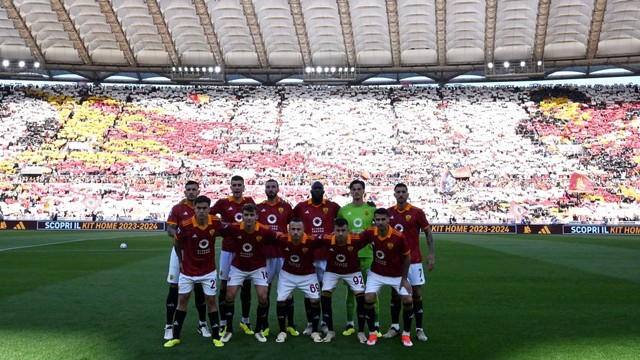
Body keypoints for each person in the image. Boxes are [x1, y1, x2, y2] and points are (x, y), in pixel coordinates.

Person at [163, 196, 224, 348]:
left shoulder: (215, 222)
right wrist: (181, 261)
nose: (202, 211)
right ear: (195, 209)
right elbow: (176, 242)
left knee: (211, 301)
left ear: (209, 210)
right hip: (188, 271)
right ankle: (175, 337)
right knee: (182, 300)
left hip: (208, 271)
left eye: (205, 208)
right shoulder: (185, 225)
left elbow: (227, 232)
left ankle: (216, 337)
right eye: (199, 208)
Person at [219, 203, 278, 343]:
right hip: (238, 267)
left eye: (252, 215)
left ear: (257, 217)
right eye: (246, 215)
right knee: (229, 295)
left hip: (258, 268)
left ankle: (258, 330)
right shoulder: (234, 228)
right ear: (242, 216)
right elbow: (218, 230)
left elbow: (279, 238)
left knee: (263, 297)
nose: (249, 218)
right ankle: (228, 330)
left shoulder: (264, 230)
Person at [384, 183, 435, 342]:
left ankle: (419, 329)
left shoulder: (417, 213)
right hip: (395, 261)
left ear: (407, 194)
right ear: (394, 194)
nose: (400, 194)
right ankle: (395, 327)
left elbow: (428, 232)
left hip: (414, 261)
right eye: (398, 192)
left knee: (417, 293)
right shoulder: (389, 213)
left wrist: (431, 254)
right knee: (395, 293)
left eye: (403, 192)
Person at [360, 208, 414, 347]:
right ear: (374, 221)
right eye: (377, 220)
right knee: (368, 298)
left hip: (396, 275)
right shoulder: (370, 232)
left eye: (383, 219)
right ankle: (372, 333)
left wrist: (404, 278)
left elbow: (407, 257)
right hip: (377, 273)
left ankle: (406, 334)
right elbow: (357, 240)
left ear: (389, 220)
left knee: (408, 300)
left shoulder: (399, 237)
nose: (380, 222)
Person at [210, 175, 256, 335]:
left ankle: (245, 321)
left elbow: (257, 219)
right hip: (228, 250)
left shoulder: (249, 202)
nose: (237, 187)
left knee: (246, 287)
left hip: (245, 250)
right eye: (234, 185)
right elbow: (210, 215)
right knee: (224, 287)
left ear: (244, 187)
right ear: (231, 187)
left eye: (239, 185)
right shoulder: (223, 203)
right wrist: (220, 226)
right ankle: (223, 323)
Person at [293, 181, 340, 334]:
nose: (318, 190)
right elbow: (292, 223)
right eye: (315, 188)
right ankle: (310, 323)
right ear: (311, 190)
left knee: (325, 291)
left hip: (326, 256)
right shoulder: (301, 207)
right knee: (309, 291)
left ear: (324, 190)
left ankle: (326, 322)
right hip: (307, 256)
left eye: (320, 188)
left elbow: (343, 221)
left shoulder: (332, 206)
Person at [164, 181, 209, 340]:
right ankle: (169, 326)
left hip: (199, 252)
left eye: (194, 190)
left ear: (198, 191)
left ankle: (202, 324)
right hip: (180, 251)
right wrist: (180, 234)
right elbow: (169, 229)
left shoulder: (203, 207)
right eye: (188, 190)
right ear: (185, 192)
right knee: (174, 286)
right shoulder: (177, 208)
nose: (191, 192)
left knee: (199, 286)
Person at [257, 179, 298, 337]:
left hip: (282, 255)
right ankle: (264, 325)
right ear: (265, 189)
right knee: (264, 292)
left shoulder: (286, 207)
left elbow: (295, 227)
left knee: (287, 292)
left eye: (273, 187)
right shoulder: (260, 208)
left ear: (278, 189)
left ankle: (291, 325)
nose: (271, 189)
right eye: (268, 187)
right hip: (265, 256)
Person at [273, 218, 324, 343]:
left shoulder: (311, 241)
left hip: (308, 276)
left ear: (303, 230)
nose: (295, 232)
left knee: (315, 300)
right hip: (287, 275)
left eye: (298, 229)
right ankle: (282, 331)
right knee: (280, 300)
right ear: (289, 230)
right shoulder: (283, 239)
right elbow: (268, 236)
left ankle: (315, 331)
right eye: (293, 229)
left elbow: (326, 240)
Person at [336, 179, 377, 336]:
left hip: (368, 255)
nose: (357, 191)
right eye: (354, 189)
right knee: (351, 291)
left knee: (371, 290)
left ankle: (376, 325)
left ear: (363, 191)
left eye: (359, 188)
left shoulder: (372, 210)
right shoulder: (344, 210)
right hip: (350, 255)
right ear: (350, 191)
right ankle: (350, 324)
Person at [319, 218, 369, 343]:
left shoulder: (356, 240)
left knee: (361, 298)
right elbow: (312, 241)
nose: (340, 233)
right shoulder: (327, 239)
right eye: (338, 230)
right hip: (332, 271)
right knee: (325, 297)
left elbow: (371, 236)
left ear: (348, 230)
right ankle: (330, 331)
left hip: (352, 271)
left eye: (343, 230)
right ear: (333, 231)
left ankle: (361, 332)